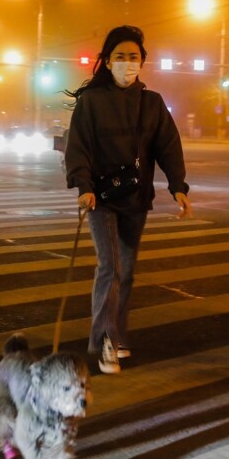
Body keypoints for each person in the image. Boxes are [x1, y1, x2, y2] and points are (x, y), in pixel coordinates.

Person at [64, 25, 193, 374]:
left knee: (128, 272)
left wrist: (178, 185)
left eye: (133, 57)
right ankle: (105, 340)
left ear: (142, 61)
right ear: (107, 61)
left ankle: (117, 336)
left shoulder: (151, 104)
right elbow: (78, 148)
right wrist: (83, 185)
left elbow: (168, 145)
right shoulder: (91, 102)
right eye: (120, 56)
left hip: (136, 199)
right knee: (110, 269)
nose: (127, 63)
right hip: (101, 200)